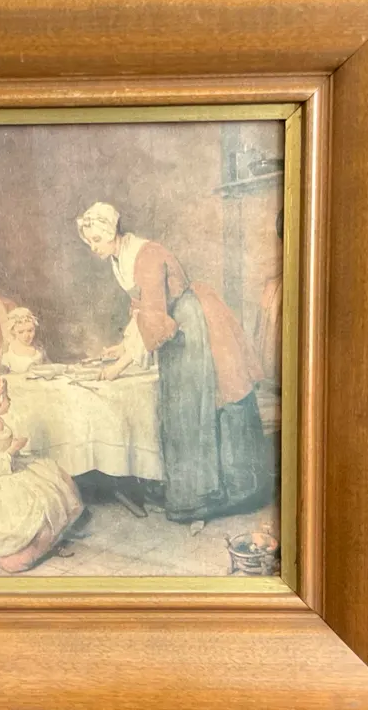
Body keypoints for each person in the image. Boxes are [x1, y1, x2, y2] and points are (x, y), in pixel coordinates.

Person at [76, 201, 270, 522]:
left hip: (192, 325)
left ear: (111, 232)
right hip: (175, 327)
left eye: (96, 240)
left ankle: (211, 493)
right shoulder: (120, 257)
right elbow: (142, 311)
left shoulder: (146, 256)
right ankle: (190, 491)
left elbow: (155, 319)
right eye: (90, 242)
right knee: (180, 407)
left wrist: (119, 366)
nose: (93, 247)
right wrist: (123, 346)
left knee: (196, 404)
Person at [0, 375, 84, 572]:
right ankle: (31, 549)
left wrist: (14, 448)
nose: (9, 401)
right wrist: (13, 448)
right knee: (35, 499)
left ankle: (50, 540)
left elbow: (5, 451)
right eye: (6, 398)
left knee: (53, 480)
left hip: (13, 466)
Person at [0, 307, 47, 373]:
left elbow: (48, 368)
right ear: (13, 331)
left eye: (30, 331)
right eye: (21, 332)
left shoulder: (38, 348)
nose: (26, 336)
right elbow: (1, 376)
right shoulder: (8, 352)